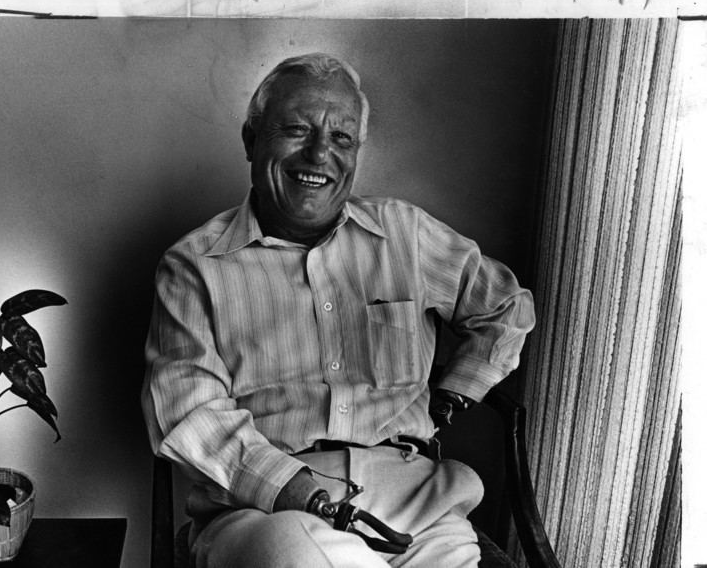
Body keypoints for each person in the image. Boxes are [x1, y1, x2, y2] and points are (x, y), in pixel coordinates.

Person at [142, 53, 535, 568]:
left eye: (341, 138)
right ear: (250, 140)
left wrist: (452, 396)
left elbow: (505, 304)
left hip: (416, 504)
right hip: (265, 513)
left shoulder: (405, 234)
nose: (319, 154)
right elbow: (189, 412)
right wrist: (295, 489)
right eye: (296, 129)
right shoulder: (194, 265)